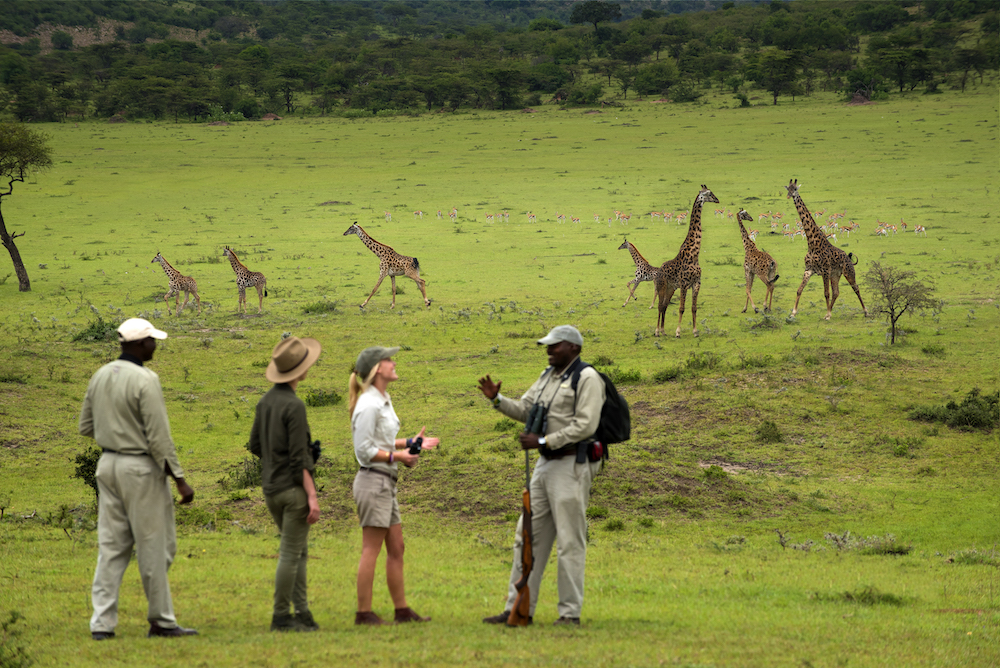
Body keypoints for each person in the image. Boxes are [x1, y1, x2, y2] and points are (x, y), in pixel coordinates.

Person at [477, 325, 605, 627]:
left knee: (569, 542)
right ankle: (517, 609)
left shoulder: (587, 378)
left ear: (573, 348)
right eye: (547, 346)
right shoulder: (548, 376)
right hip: (545, 464)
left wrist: (545, 441)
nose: (548, 351)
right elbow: (525, 409)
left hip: (572, 463)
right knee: (527, 536)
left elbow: (586, 425)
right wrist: (497, 400)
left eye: (554, 346)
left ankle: (569, 613)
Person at [79, 318, 197, 640]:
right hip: (140, 470)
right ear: (138, 344)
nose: (155, 346)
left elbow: (86, 426)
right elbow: (159, 438)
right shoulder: (146, 380)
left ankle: (101, 624)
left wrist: (114, 433)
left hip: (107, 465)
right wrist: (180, 480)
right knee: (156, 547)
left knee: (111, 546)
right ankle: (161, 620)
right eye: (151, 341)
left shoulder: (100, 375)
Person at [349, 346, 439, 626]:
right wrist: (398, 456)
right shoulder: (368, 404)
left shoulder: (382, 399)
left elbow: (381, 441)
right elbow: (364, 450)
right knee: (371, 549)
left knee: (397, 547)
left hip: (385, 481)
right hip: (373, 480)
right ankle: (363, 613)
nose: (393, 362)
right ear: (377, 369)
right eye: (388, 360)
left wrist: (410, 443)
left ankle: (401, 611)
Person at [249, 335, 323, 632]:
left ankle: (302, 612)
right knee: (291, 553)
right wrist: (312, 496)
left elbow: (255, 445)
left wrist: (275, 457)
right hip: (293, 491)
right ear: (299, 370)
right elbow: (298, 459)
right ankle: (281, 616)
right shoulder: (294, 406)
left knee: (298, 550)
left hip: (271, 489)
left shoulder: (264, 402)